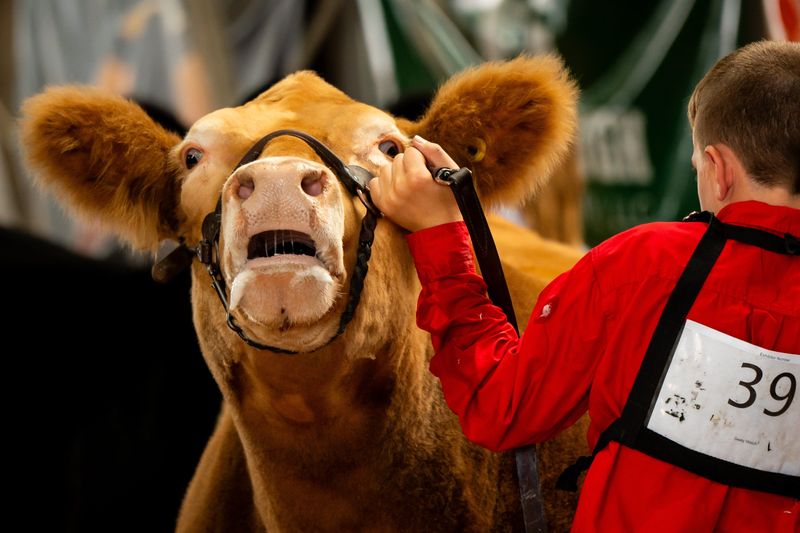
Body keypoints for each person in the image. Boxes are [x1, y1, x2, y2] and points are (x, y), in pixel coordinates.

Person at [369, 40, 799, 532]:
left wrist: (438, 232)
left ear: (719, 171)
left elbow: (503, 407)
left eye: (698, 166)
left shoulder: (643, 267)